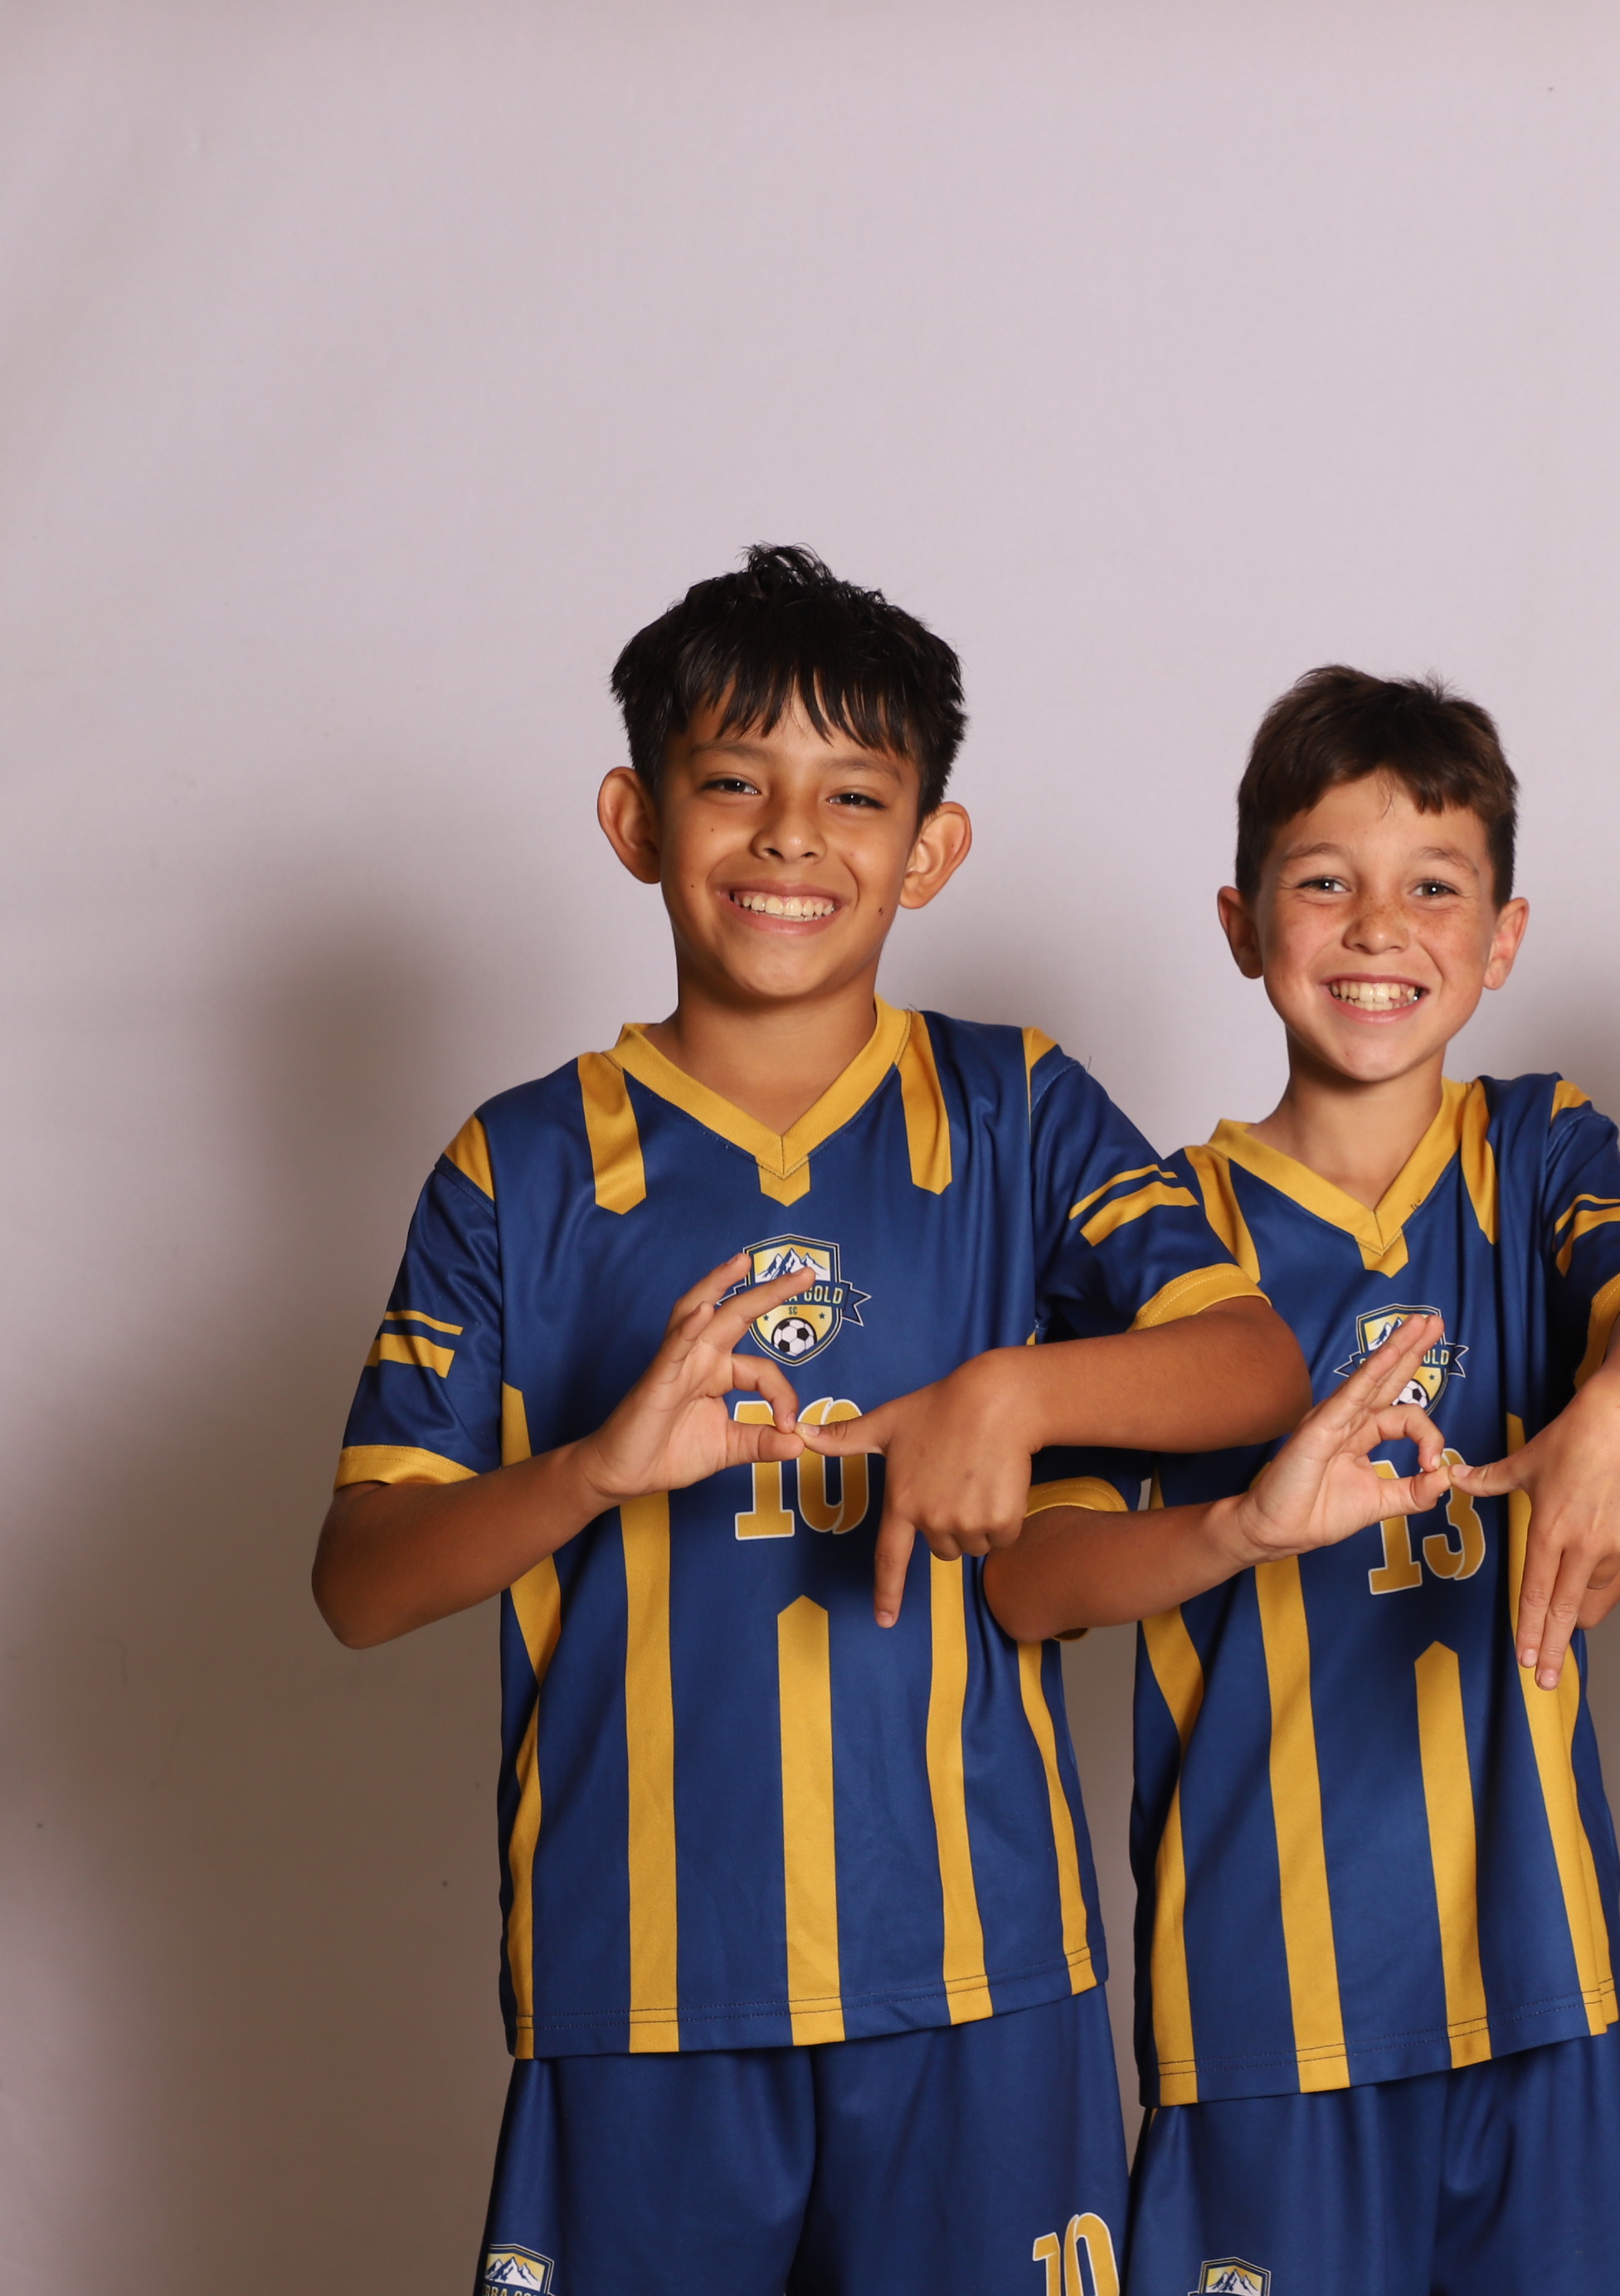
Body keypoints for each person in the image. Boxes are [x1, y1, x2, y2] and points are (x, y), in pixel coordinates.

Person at [315, 546, 1359, 2296]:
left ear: (931, 849)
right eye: (735, 783)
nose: (792, 837)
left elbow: (1252, 1361)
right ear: (636, 820)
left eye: (854, 796)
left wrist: (1008, 1390)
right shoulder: (522, 1164)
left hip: (975, 1971)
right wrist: (593, 1469)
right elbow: (360, 1581)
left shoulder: (1014, 1109)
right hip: (645, 1984)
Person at [972, 668, 1620, 2296]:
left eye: (1432, 887)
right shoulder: (1161, 1228)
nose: (1379, 927)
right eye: (1325, 881)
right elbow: (1028, 1580)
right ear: (1243, 923)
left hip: (1538, 1978)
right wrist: (1241, 1525)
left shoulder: (1536, 1151)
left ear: (1503, 938)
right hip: (1265, 1995)